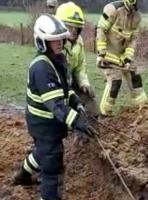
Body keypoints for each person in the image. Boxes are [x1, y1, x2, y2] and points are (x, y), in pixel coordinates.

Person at [12, 14, 96, 200]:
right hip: (43, 124)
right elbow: (56, 105)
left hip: (48, 123)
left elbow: (64, 90)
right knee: (52, 166)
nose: (59, 42)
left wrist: (76, 102)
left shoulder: (57, 59)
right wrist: (78, 122)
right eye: (53, 40)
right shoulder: (41, 67)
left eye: (61, 38)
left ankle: (23, 174)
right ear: (42, 42)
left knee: (43, 151)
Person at [96, 0, 147, 116]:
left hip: (123, 54)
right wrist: (101, 53)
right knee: (115, 81)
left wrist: (128, 58)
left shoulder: (137, 17)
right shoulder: (112, 9)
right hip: (109, 52)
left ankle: (143, 108)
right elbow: (101, 30)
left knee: (135, 77)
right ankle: (105, 113)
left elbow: (133, 40)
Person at [56, 2, 99, 117]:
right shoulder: (55, 43)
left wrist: (84, 84)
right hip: (57, 84)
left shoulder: (79, 41)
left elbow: (80, 67)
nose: (74, 30)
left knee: (92, 107)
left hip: (72, 79)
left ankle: (91, 127)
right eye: (70, 26)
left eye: (76, 27)